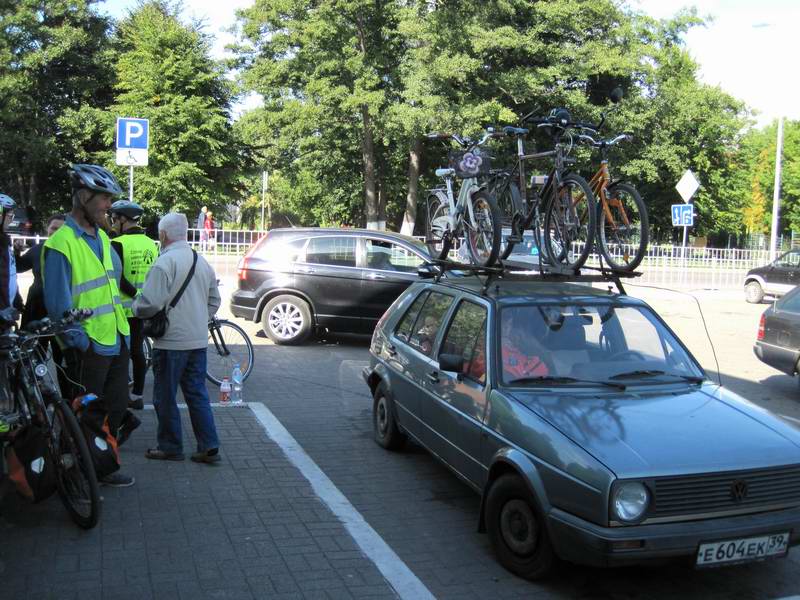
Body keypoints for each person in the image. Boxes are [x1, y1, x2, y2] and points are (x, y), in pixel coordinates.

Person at [42, 164, 135, 487]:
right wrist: (79, 343)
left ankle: (100, 465)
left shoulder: (105, 240)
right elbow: (58, 305)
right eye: (104, 199)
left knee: (116, 409)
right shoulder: (61, 244)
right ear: (83, 197)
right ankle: (77, 474)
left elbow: (114, 288)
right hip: (91, 345)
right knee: (86, 416)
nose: (109, 206)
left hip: (116, 338)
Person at [133, 213, 221, 463]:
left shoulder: (164, 263)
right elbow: (215, 301)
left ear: (163, 235)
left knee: (164, 395)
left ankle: (170, 446)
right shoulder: (201, 261)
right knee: (197, 393)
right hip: (198, 341)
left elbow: (149, 304)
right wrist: (198, 320)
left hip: (170, 342)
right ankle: (209, 445)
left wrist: (134, 309)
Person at [109, 200, 158, 410]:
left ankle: (117, 395)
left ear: (122, 220)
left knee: (120, 355)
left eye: (114, 218)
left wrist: (135, 294)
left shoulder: (117, 243)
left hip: (121, 309)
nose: (111, 222)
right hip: (142, 309)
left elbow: (117, 278)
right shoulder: (151, 243)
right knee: (138, 352)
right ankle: (137, 396)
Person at [501, 309, 549, 381]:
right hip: (512, 380)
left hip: (530, 378)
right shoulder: (493, 344)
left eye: (509, 324)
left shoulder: (519, 338)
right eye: (503, 324)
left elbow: (539, 354)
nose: (507, 328)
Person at [0, 194, 22, 312]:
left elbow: (9, 274)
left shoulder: (4, 241)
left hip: (8, 312)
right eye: (10, 215)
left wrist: (17, 301)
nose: (11, 219)